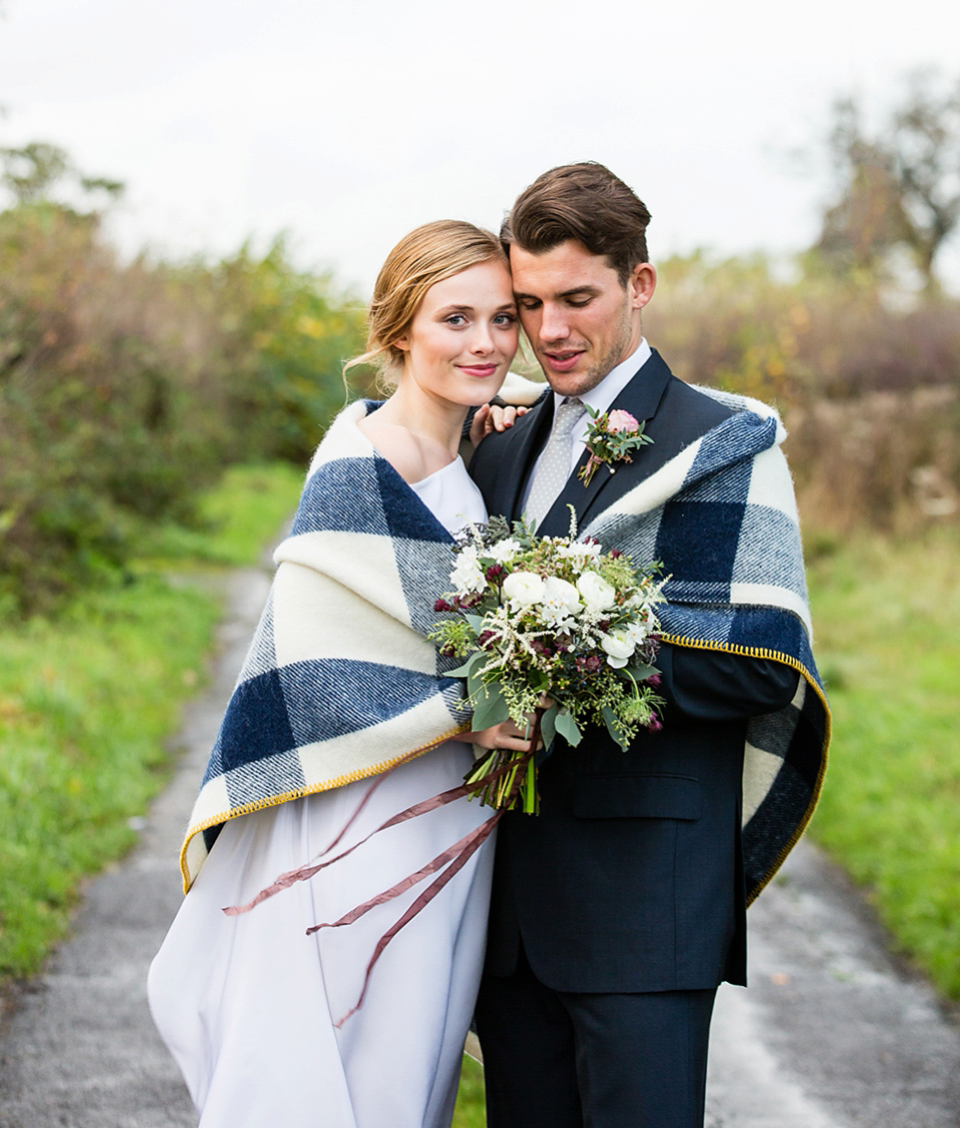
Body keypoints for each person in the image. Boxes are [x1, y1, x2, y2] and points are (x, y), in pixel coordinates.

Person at [147, 219, 535, 1128]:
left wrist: (502, 405)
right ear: (401, 329)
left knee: (420, 1050)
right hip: (366, 802)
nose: (485, 342)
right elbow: (316, 662)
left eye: (503, 317)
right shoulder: (367, 459)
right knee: (362, 1035)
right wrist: (467, 709)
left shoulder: (458, 446)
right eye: (455, 319)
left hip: (449, 805)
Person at [469, 163, 830, 1128]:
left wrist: (565, 662)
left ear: (640, 284)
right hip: (505, 915)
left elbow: (754, 660)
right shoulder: (498, 443)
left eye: (578, 298)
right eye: (529, 304)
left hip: (643, 906)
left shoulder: (723, 438)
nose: (550, 331)